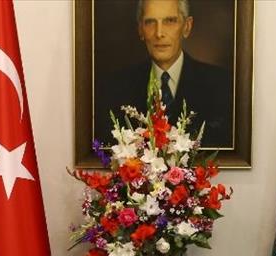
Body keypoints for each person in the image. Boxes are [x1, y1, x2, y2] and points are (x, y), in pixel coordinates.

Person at [95, 0, 233, 148]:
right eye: (150, 22)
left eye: (170, 21)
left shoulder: (223, 84)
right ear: (140, 29)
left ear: (187, 27)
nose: (159, 33)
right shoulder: (114, 88)